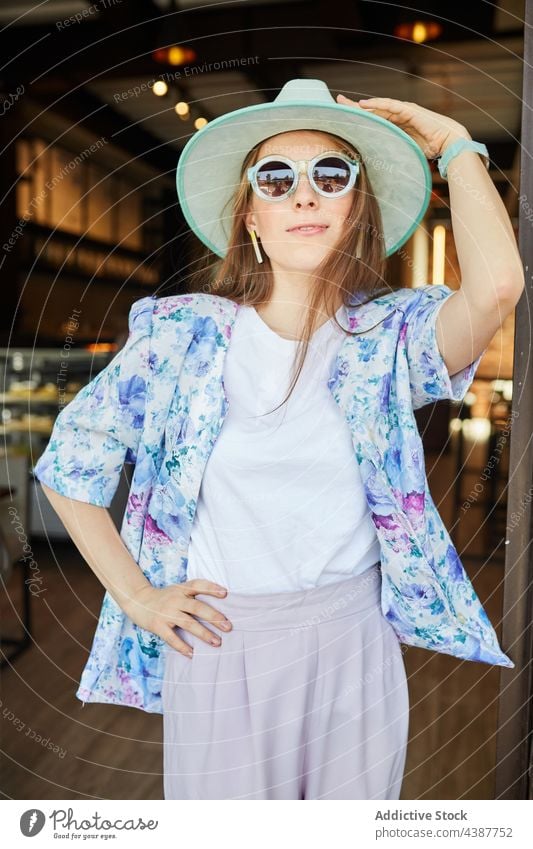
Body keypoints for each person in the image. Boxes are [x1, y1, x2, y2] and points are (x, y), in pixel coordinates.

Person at [33, 79, 523, 801]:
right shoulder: (179, 334)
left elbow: (497, 289)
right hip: (220, 642)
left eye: (331, 175)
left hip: (351, 637)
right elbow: (68, 463)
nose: (304, 195)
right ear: (251, 216)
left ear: (355, 209)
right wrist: (137, 596)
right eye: (276, 177)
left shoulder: (387, 334)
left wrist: (453, 145)